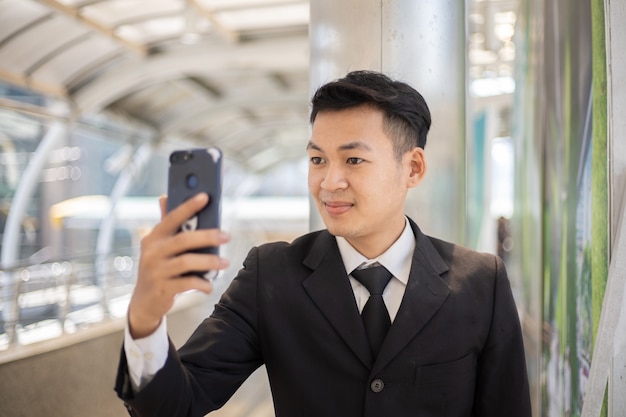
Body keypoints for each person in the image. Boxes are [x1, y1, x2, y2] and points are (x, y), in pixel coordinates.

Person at [115, 70, 531, 417]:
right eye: (317, 160)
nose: (329, 182)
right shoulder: (270, 276)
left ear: (413, 168)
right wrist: (146, 318)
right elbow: (175, 404)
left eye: (353, 160)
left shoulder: (480, 283)